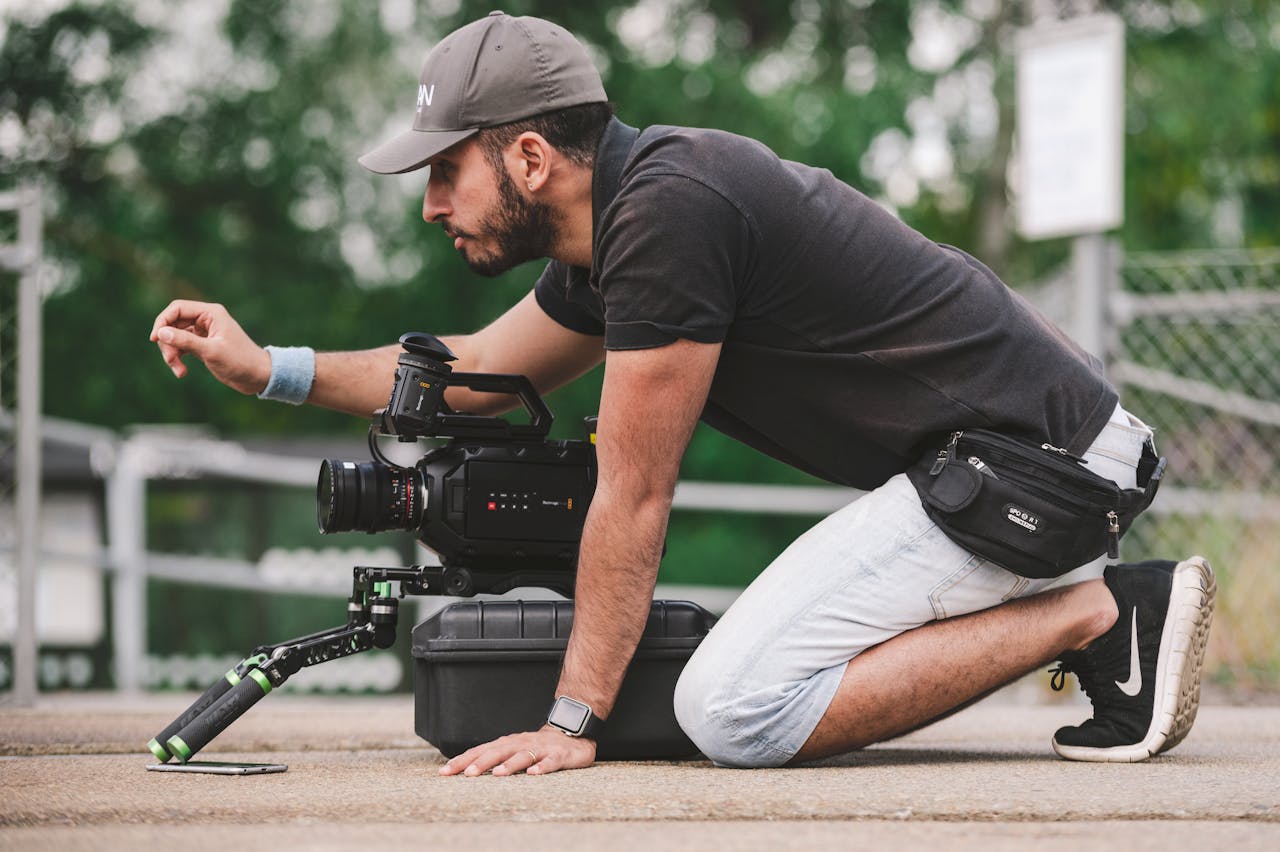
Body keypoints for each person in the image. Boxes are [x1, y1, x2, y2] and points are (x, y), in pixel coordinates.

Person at [150, 12, 1215, 776]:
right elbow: (473, 378)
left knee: (734, 712)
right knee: (740, 692)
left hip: (1038, 475)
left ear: (527, 156)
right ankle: (1091, 615)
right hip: (1001, 472)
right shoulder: (617, 231)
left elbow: (635, 490)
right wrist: (269, 367)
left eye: (444, 172)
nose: (430, 204)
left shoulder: (668, 215)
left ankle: (1100, 608)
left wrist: (574, 720)